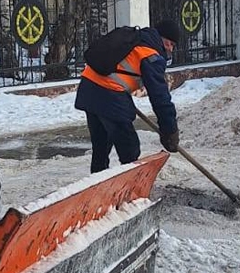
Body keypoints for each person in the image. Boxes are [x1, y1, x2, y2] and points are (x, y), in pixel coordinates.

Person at [75, 20, 181, 173]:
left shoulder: (136, 39)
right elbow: (160, 97)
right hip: (108, 94)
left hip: (89, 88)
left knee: (101, 147)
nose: (169, 48)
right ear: (159, 37)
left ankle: (98, 186)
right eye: (168, 42)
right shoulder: (150, 54)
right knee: (129, 148)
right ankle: (130, 189)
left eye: (172, 45)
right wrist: (170, 131)